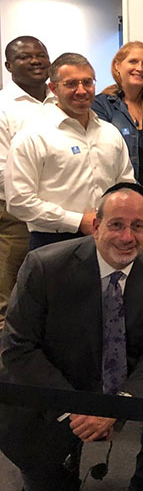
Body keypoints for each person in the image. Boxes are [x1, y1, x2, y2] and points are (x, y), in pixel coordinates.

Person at [0, 183, 143, 491]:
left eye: (137, 226)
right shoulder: (43, 266)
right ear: (96, 226)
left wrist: (120, 406)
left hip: (121, 376)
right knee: (48, 480)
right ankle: (50, 466)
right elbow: (17, 348)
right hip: (59, 377)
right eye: (116, 224)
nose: (127, 237)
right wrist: (76, 406)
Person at [5, 52, 134, 251]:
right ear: (53, 88)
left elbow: (126, 185)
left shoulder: (110, 133)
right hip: (52, 243)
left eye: (87, 82)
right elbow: (19, 201)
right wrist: (77, 221)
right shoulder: (33, 136)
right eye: (71, 84)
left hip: (106, 239)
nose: (81, 90)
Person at [0, 36, 55, 329]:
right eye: (25, 57)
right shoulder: (3, 107)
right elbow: (2, 170)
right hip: (15, 215)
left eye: (41, 54)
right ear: (9, 66)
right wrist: (34, 194)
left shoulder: (60, 99)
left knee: (48, 291)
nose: (36, 60)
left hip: (60, 210)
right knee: (12, 293)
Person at [92, 41, 143, 188]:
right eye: (133, 61)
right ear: (117, 65)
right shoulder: (101, 105)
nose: (139, 68)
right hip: (120, 192)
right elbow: (101, 156)